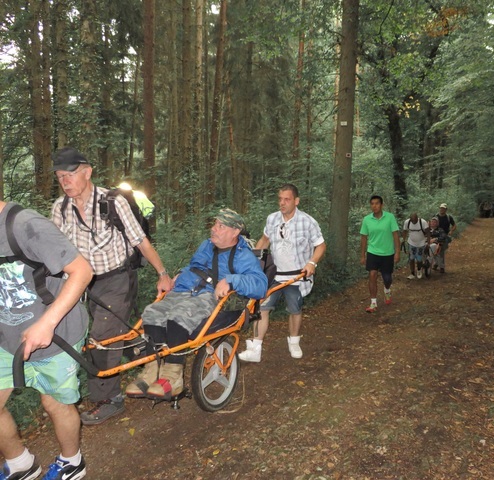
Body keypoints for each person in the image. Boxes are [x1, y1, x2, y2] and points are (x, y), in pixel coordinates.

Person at [50, 146, 172, 426]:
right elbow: (54, 250)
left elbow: (140, 240)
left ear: (87, 172)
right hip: (82, 283)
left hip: (117, 277)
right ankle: (143, 346)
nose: (65, 181)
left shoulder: (113, 202)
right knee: (94, 331)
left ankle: (109, 399)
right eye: (59, 176)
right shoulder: (60, 208)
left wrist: (162, 273)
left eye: (69, 174)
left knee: (102, 339)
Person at [125, 208, 268, 399]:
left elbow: (260, 285)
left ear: (235, 232)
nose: (214, 229)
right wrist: (180, 275)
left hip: (209, 297)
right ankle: (152, 370)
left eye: (221, 226)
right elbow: (195, 266)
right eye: (215, 224)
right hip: (184, 290)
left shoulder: (243, 256)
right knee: (152, 312)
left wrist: (232, 280)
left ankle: (173, 377)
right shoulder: (206, 245)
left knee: (180, 314)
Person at [0, 201, 93, 480]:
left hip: (56, 332)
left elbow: (82, 271)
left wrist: (47, 324)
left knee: (55, 404)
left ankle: (72, 461)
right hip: (6, 337)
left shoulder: (25, 224)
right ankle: (20, 463)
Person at [238, 184, 325, 363]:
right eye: (280, 199)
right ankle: (256, 347)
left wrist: (312, 263)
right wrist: (251, 261)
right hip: (275, 276)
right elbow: (265, 240)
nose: (282, 203)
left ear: (296, 201)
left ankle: (294, 341)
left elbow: (321, 245)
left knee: (295, 309)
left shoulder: (307, 221)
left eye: (287, 199)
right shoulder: (272, 219)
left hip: (296, 276)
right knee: (261, 308)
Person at [360, 195, 400, 313]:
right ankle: (373, 303)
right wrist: (363, 255)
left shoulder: (390, 217)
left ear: (382, 205)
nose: (374, 206)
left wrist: (397, 252)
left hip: (388, 253)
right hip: (372, 252)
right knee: (372, 274)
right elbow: (363, 238)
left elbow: (395, 235)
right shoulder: (367, 219)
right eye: (372, 203)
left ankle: (387, 290)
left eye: (377, 203)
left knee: (387, 278)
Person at [402, 213, 429, 279]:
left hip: (421, 243)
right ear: (410, 219)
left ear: (417, 218)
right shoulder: (407, 222)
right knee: (411, 258)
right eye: (412, 221)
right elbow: (405, 231)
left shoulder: (423, 222)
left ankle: (419, 269)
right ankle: (412, 273)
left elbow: (428, 232)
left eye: (415, 220)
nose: (413, 222)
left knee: (419, 259)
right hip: (411, 243)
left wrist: (428, 243)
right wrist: (403, 239)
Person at [433, 203, 456, 273]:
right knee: (435, 250)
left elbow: (454, 225)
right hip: (436, 236)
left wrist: (451, 231)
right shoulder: (435, 216)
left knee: (441, 250)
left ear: (446, 209)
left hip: (445, 236)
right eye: (440, 208)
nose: (441, 209)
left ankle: (440, 266)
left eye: (443, 208)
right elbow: (431, 224)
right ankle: (438, 264)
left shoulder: (449, 217)